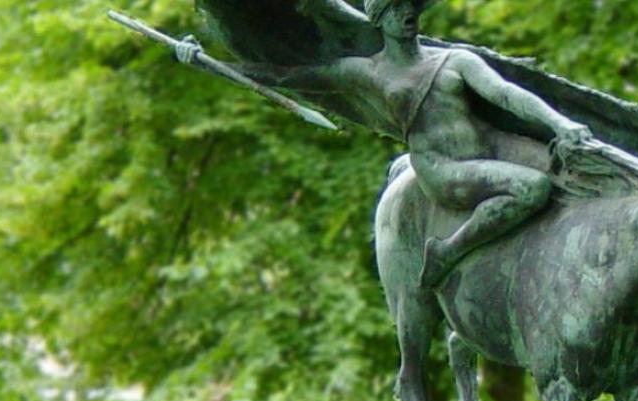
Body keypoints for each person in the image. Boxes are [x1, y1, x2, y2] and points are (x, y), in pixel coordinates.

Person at [177, 0, 594, 288]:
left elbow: (507, 95)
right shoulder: (366, 72)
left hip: (491, 151)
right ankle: (447, 253)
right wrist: (206, 63)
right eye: (395, 8)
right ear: (378, 19)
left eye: (410, 6)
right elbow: (287, 77)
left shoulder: (457, 60)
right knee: (533, 188)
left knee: (572, 176)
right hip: (444, 168)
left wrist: (561, 123)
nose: (406, 14)